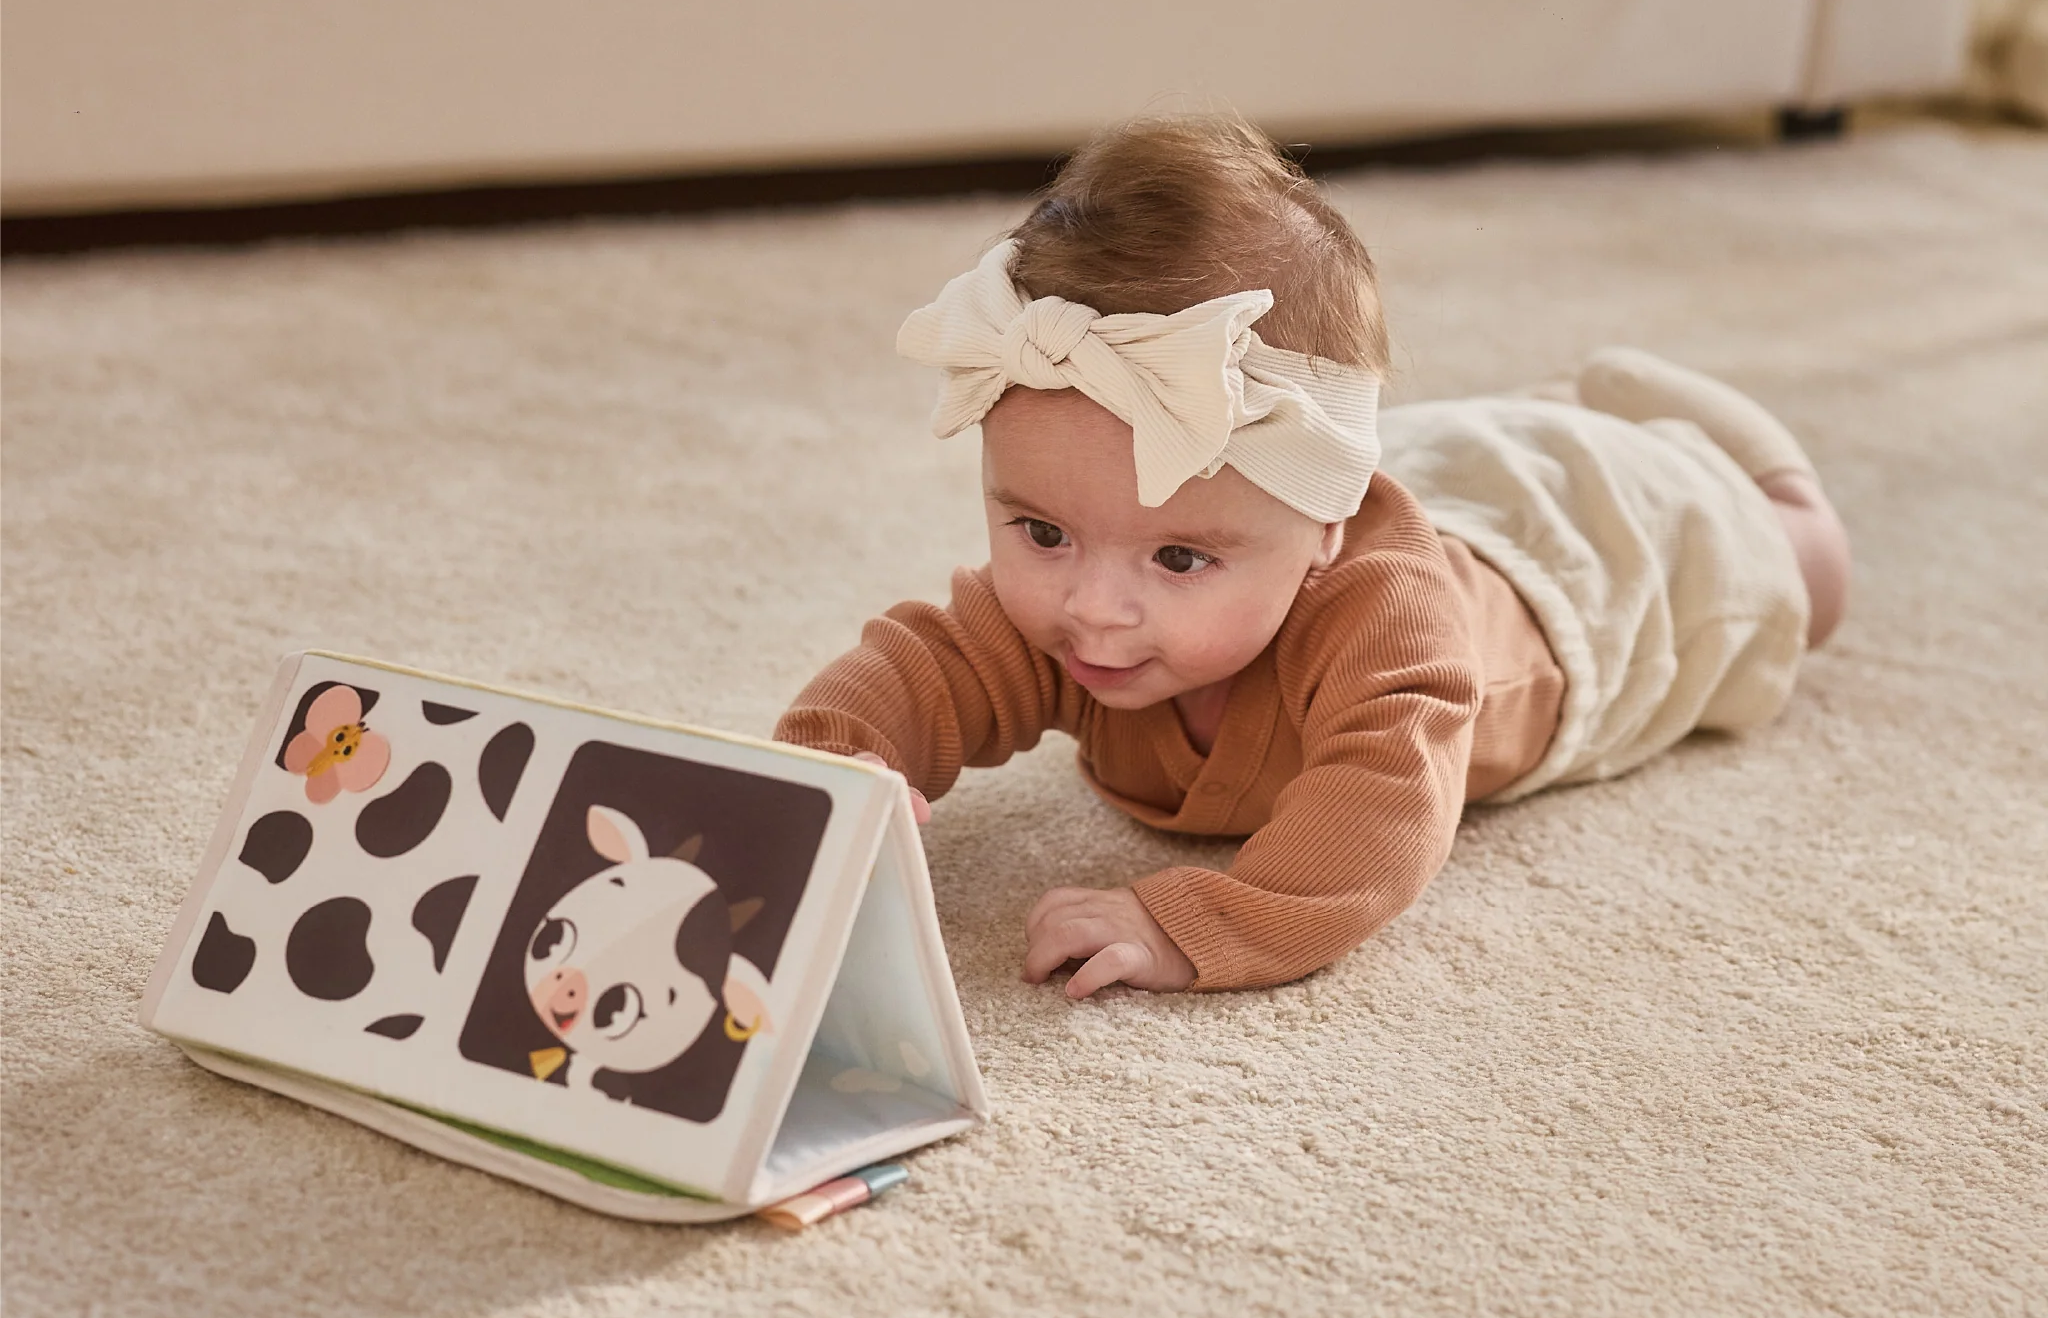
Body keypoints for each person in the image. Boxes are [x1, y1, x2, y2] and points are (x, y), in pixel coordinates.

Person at [774, 119, 1851, 998]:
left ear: (1326, 527)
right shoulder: (1110, 577)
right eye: (1043, 533)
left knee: (1797, 573)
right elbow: (923, 666)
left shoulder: (1390, 635)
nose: (1092, 608)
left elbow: (1376, 820)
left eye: (1178, 557)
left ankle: (1717, 450)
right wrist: (825, 772)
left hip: (1596, 572)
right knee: (1487, 451)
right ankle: (1564, 405)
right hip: (1414, 474)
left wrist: (1193, 923)